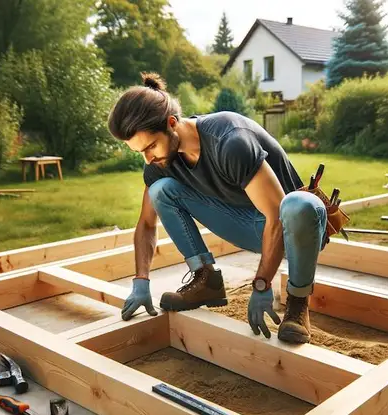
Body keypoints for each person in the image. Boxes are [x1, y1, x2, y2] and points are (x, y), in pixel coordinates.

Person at [106, 72, 328, 344]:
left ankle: (297, 303)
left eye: (150, 146)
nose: (148, 158)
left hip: (294, 230)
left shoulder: (229, 141)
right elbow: (147, 224)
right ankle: (206, 281)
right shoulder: (159, 163)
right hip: (249, 226)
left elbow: (275, 216)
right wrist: (141, 281)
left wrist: (262, 283)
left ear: (172, 123)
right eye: (140, 151)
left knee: (298, 204)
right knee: (160, 189)